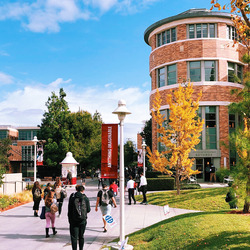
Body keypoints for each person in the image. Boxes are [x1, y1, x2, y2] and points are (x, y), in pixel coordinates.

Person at [68, 185, 90, 250]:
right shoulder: (85, 198)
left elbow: (69, 210)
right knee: (81, 236)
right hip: (82, 220)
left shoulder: (72, 197)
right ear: (83, 190)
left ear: (76, 190)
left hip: (73, 220)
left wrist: (70, 219)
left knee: (74, 237)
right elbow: (88, 210)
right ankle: (81, 248)